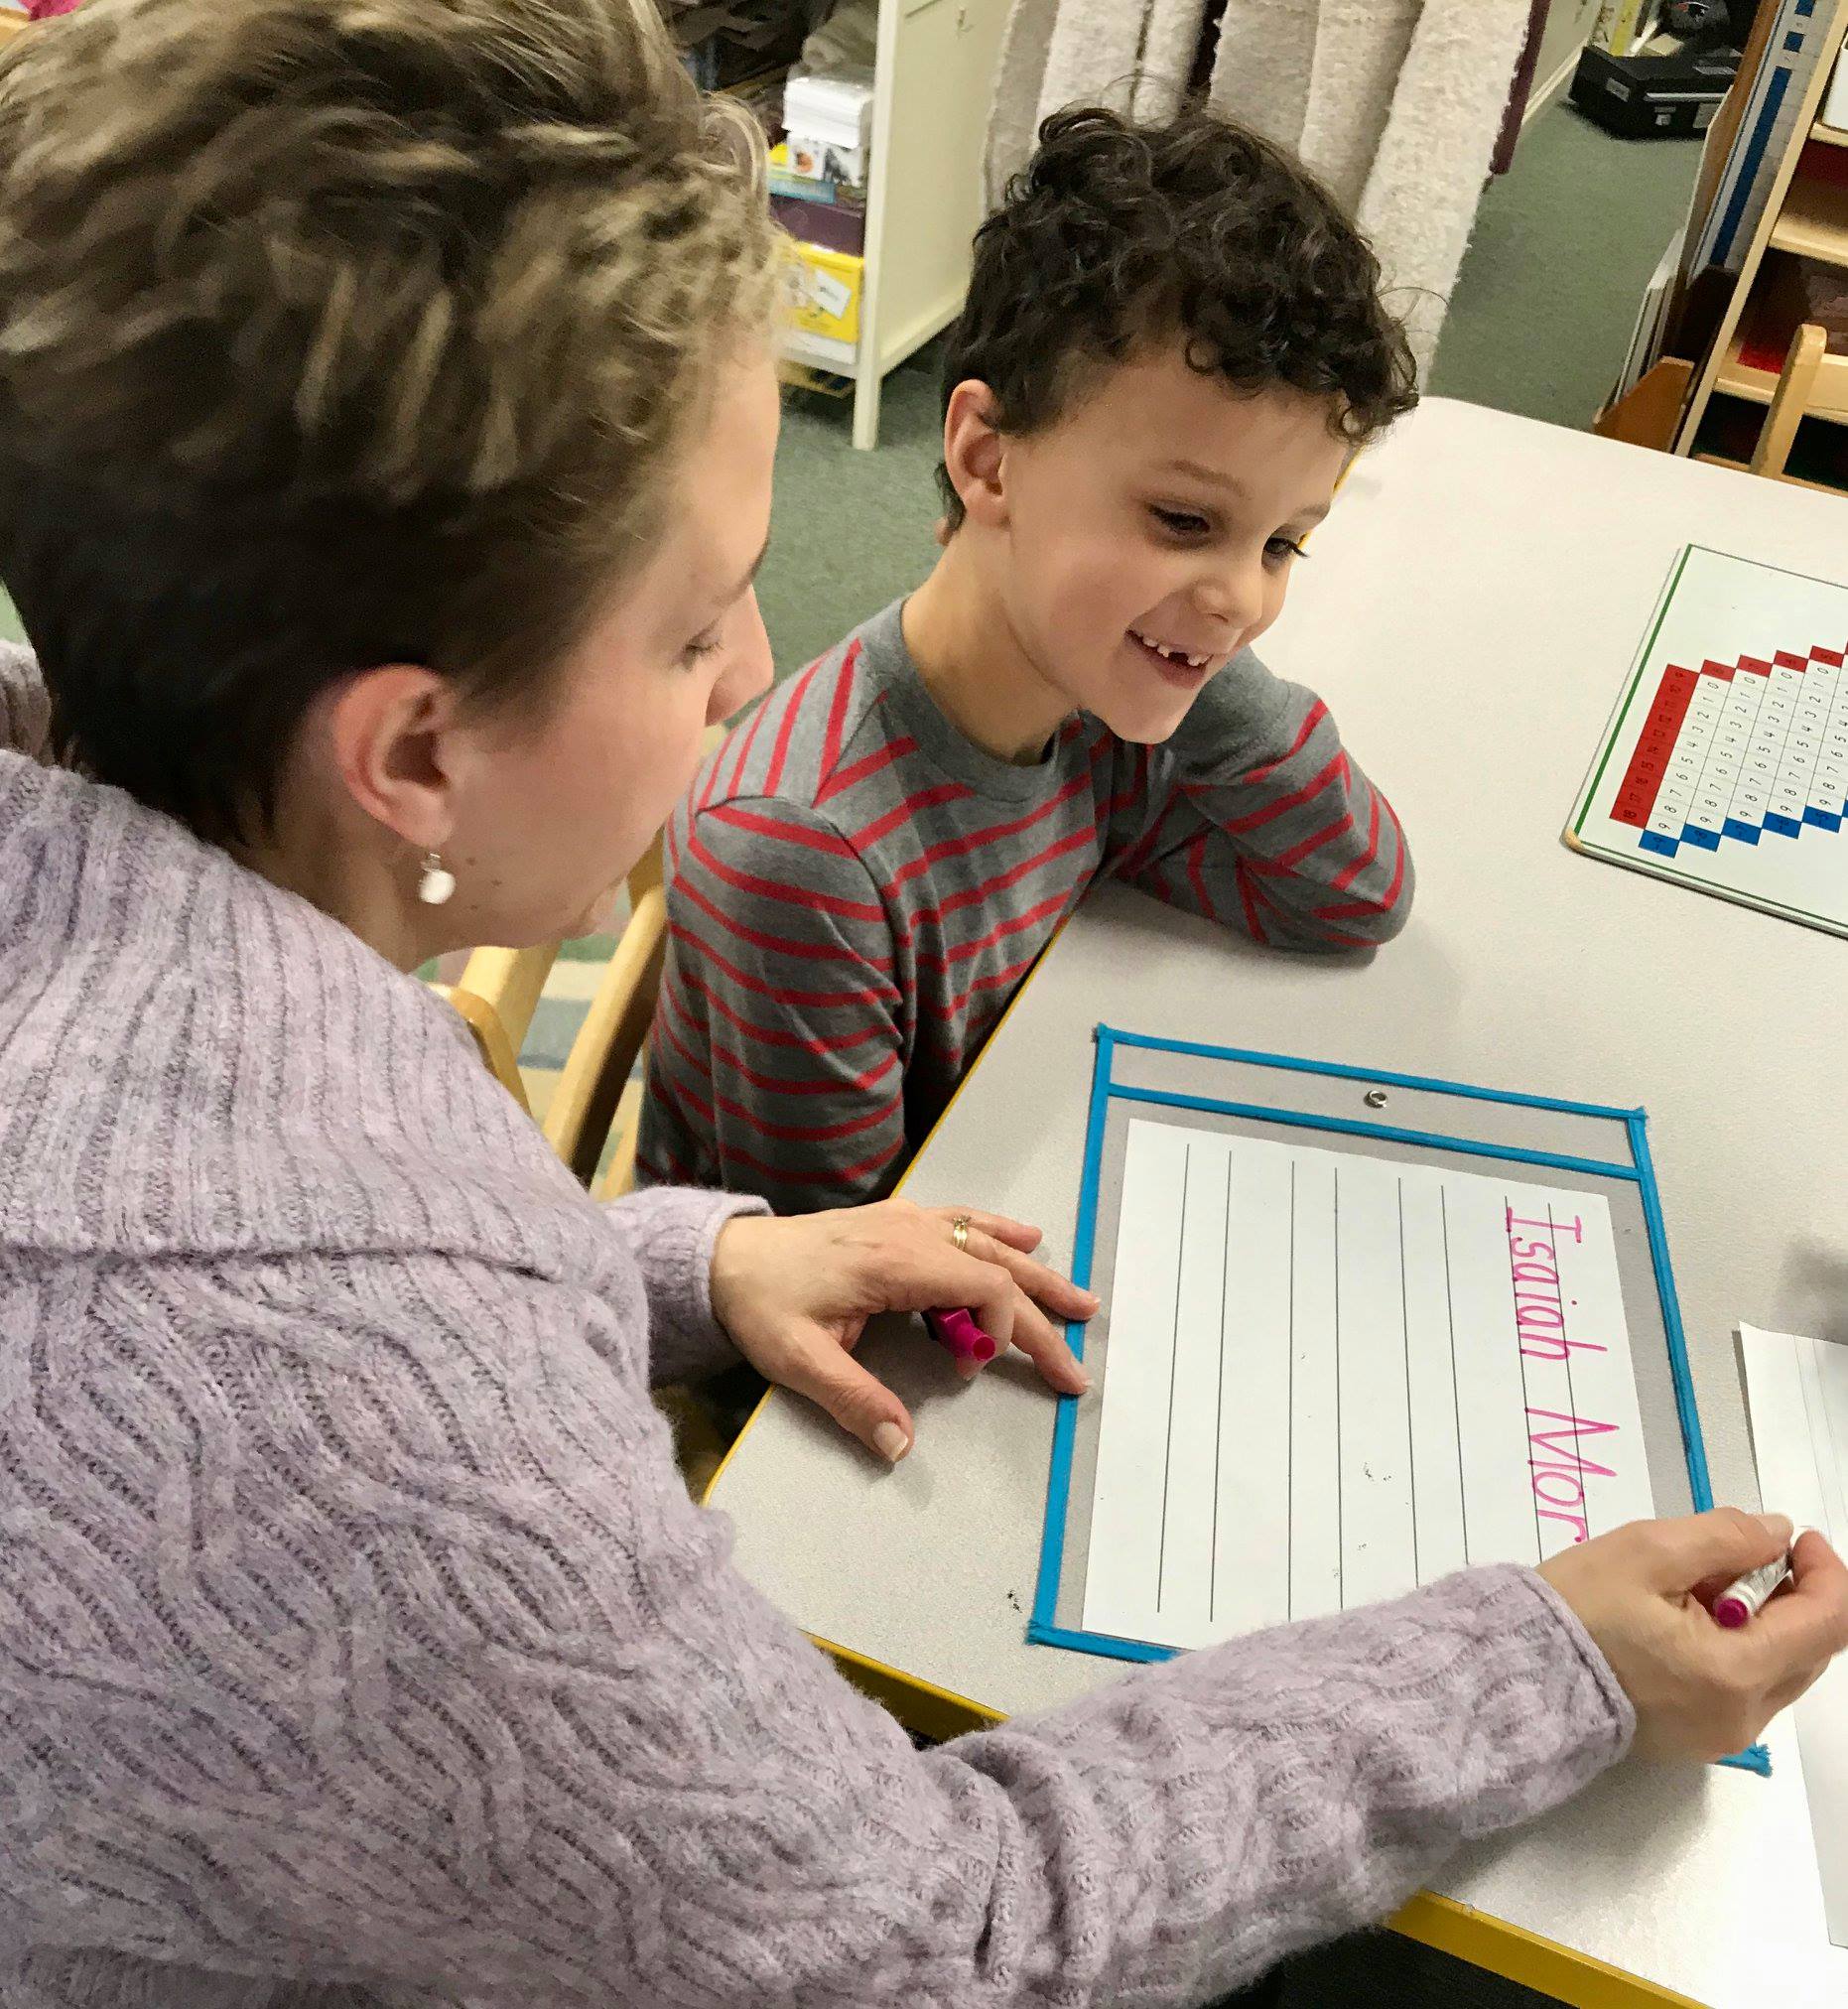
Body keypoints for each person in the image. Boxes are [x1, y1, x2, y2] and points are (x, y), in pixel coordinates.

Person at [1, 5, 1844, 2005]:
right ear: (415, 759)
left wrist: (696, 1263)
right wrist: (1543, 1653)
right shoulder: (387, 1409)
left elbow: (335, 1286)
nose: (752, 667)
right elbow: (920, 1948)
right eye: (698, 617)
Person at [637, 108, 1414, 1213]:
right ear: (983, 459)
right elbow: (838, 1286)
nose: (1245, 598)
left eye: (1281, 541)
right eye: (1184, 520)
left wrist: (1195, 644)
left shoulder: (1099, 694)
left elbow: (1349, 894)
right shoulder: (803, 856)